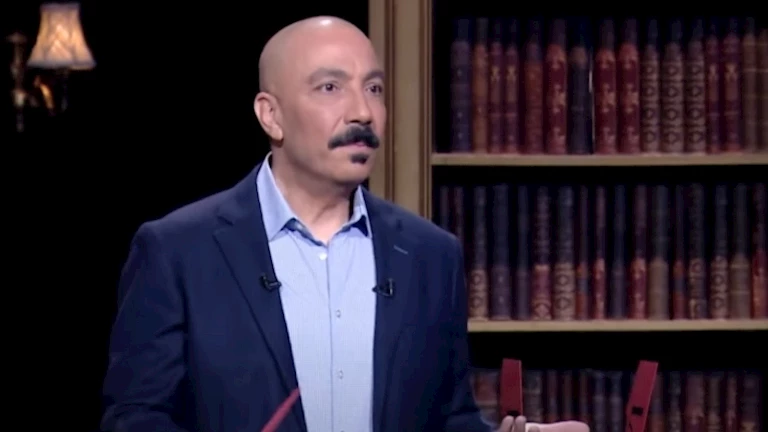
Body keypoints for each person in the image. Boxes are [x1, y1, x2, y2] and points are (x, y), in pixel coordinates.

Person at [101, 16, 590, 432]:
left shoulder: (431, 255)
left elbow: (448, 418)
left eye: (374, 89)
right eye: (330, 87)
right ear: (271, 115)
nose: (362, 112)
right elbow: (137, 419)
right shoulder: (178, 252)